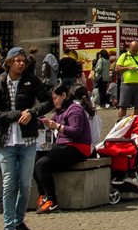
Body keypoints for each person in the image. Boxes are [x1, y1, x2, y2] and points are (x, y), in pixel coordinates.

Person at [0, 48, 52, 230]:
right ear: (8, 63)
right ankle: (9, 227)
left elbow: (48, 102)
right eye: (17, 60)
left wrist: (32, 112)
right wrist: (16, 115)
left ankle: (18, 219)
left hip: (27, 141)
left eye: (23, 60)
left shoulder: (32, 81)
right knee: (8, 185)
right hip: (6, 141)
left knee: (25, 185)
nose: (21, 64)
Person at [34, 84, 95, 213]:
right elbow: (51, 122)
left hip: (78, 147)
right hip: (63, 145)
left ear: (63, 96)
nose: (53, 101)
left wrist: (57, 126)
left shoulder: (75, 110)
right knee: (34, 159)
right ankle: (44, 194)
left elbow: (76, 132)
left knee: (42, 165)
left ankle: (52, 201)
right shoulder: (60, 111)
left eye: (55, 98)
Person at [114, 40, 138, 119]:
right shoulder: (124, 56)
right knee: (123, 106)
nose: (135, 52)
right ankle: (121, 124)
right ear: (129, 48)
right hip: (126, 84)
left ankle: (136, 124)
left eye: (137, 50)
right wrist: (128, 68)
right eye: (133, 50)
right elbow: (117, 68)